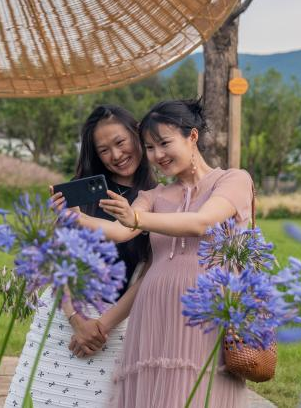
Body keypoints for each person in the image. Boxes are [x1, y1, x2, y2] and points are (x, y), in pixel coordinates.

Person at [58, 99, 254, 408]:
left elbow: (202, 222)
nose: (157, 155)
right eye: (149, 147)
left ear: (192, 136)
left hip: (205, 314)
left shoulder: (233, 180)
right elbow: (121, 231)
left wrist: (135, 218)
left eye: (164, 143)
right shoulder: (153, 195)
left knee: (200, 393)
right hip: (153, 315)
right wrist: (76, 218)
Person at [4, 104, 155, 408]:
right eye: (104, 150)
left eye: (120, 142)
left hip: (115, 325)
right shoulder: (80, 194)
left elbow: (149, 273)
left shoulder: (156, 198)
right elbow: (57, 259)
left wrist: (102, 326)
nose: (116, 155)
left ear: (137, 133)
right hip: (62, 317)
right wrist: (76, 318)